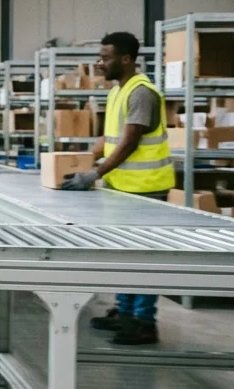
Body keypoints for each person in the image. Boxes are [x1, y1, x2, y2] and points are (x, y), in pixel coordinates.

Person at [62, 31, 173, 346]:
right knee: (124, 254)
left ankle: (144, 322)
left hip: (145, 189)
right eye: (99, 57)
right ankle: (124, 313)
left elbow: (130, 142)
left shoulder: (141, 93)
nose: (99, 63)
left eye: (105, 57)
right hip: (122, 187)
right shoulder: (117, 92)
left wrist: (94, 174)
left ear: (126, 59)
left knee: (143, 257)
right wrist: (79, 161)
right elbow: (108, 139)